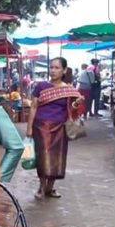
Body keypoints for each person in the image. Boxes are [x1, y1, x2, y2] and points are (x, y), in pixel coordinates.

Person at [27, 58, 85, 200]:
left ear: (64, 70)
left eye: (57, 68)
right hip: (41, 126)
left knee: (57, 157)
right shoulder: (41, 86)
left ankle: (50, 188)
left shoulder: (68, 89)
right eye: (51, 67)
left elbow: (71, 110)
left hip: (60, 127)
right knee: (42, 157)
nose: (53, 70)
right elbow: (33, 107)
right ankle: (41, 187)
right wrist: (29, 127)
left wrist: (76, 103)